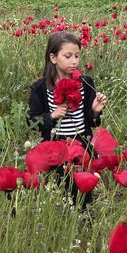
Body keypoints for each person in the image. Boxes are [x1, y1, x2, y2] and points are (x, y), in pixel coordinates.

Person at [28, 31, 107, 210]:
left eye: (77, 56)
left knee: (83, 189)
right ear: (53, 58)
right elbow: (32, 120)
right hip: (55, 147)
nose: (74, 61)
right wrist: (52, 116)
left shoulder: (86, 83)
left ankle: (83, 216)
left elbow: (91, 121)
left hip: (82, 144)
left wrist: (94, 111)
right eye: (68, 56)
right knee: (58, 189)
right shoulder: (40, 88)